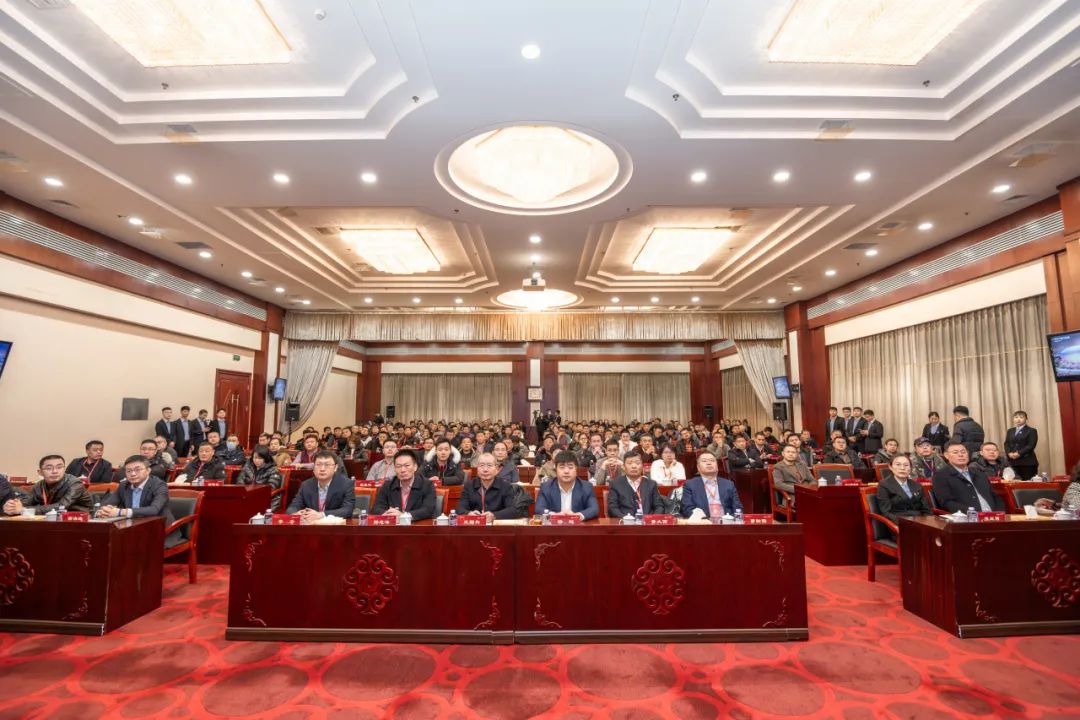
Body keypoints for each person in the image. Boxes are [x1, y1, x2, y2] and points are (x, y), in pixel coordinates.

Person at [97, 455, 181, 547]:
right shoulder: (124, 485)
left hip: (159, 531)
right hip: (132, 530)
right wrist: (103, 511)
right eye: (129, 471)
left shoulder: (159, 485)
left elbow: (154, 509)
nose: (133, 474)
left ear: (148, 471)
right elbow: (108, 503)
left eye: (137, 470)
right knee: (104, 543)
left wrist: (121, 512)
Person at [3, 454, 92, 515]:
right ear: (40, 472)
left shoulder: (75, 483)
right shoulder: (39, 486)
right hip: (53, 520)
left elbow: (61, 506)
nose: (55, 471)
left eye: (59, 467)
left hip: (81, 519)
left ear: (64, 469)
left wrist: (23, 510)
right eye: (49, 468)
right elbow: (28, 501)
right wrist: (13, 506)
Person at [931, 442, 1005, 514]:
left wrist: (999, 513)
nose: (960, 455)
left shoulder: (980, 473)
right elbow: (947, 502)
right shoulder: (941, 476)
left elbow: (995, 496)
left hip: (994, 516)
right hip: (968, 517)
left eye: (963, 452)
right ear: (946, 455)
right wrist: (972, 513)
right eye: (955, 452)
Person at [286, 451, 355, 522]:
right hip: (311, 525)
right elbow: (293, 506)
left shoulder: (346, 484)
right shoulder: (306, 485)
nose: (322, 469)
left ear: (335, 467)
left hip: (334, 526)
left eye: (327, 465)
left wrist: (321, 515)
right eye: (318, 465)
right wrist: (296, 513)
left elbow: (347, 510)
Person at [456, 452, 528, 520]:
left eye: (489, 465)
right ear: (477, 468)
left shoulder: (505, 486)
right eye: (481, 465)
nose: (485, 469)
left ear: (496, 469)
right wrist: (469, 513)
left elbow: (512, 510)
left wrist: (494, 515)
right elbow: (460, 508)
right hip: (476, 525)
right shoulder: (469, 485)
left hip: (496, 526)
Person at [371, 449, 437, 520]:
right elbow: (376, 508)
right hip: (393, 525)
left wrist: (404, 516)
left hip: (416, 525)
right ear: (394, 468)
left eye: (407, 465)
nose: (403, 470)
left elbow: (428, 509)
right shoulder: (388, 485)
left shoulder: (427, 485)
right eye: (398, 466)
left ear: (415, 467)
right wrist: (388, 514)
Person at [536, 451, 600, 520]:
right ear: (556, 469)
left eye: (570, 467)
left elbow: (594, 508)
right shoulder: (546, 487)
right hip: (554, 525)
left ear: (576, 469)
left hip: (578, 525)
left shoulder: (586, 487)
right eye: (562, 467)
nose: (566, 471)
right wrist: (554, 515)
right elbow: (539, 509)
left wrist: (577, 516)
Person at [681, 451, 742, 519]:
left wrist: (731, 520)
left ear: (717, 465)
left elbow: (737, 507)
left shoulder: (729, 484)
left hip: (727, 522)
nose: (709, 463)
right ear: (698, 467)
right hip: (703, 523)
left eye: (712, 460)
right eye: (704, 461)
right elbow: (687, 509)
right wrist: (705, 521)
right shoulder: (690, 485)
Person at [606, 450, 665, 517]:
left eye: (637, 463)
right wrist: (625, 519)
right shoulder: (615, 484)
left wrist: (652, 518)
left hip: (647, 521)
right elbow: (612, 508)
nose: (634, 466)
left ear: (642, 466)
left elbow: (659, 506)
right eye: (629, 463)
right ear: (623, 467)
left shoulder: (651, 484)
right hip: (625, 521)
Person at [876, 455, 933, 523]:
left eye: (906, 465)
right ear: (890, 467)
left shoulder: (917, 485)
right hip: (899, 523)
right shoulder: (884, 485)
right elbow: (886, 512)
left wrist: (929, 522)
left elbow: (926, 509)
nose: (902, 468)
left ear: (910, 468)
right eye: (898, 465)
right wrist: (904, 523)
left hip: (920, 522)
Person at [1004, 410, 1039, 480]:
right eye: (1016, 417)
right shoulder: (1010, 431)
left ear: (1026, 419)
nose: (1018, 419)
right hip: (1012, 462)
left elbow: (1031, 445)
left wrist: (1019, 453)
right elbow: (1006, 443)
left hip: (1027, 462)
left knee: (1027, 483)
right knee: (1013, 482)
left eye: (1021, 417)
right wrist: (1009, 453)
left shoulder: (1031, 431)